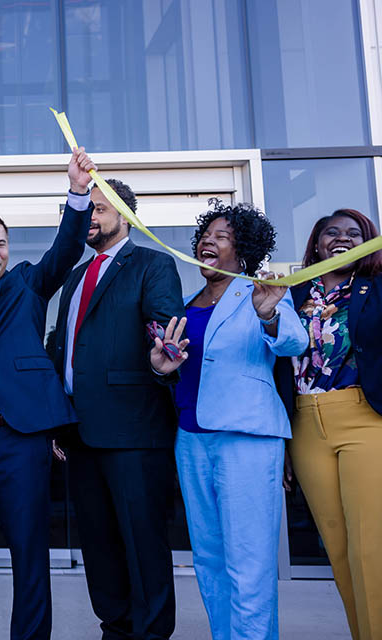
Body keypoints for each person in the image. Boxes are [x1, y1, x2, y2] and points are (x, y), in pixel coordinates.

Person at [0, 149, 95, 640]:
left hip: (20, 438)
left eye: (1, 244)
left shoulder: (28, 283)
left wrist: (77, 193)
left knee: (29, 551)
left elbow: (67, 249)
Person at [158, 200, 306, 639]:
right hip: (191, 440)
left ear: (243, 251)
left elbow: (294, 343)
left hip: (246, 439)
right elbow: (181, 371)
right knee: (209, 559)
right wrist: (161, 366)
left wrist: (269, 313)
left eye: (222, 236)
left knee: (249, 560)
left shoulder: (260, 293)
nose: (209, 241)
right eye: (207, 235)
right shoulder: (184, 305)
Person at [50, 175, 185, 639]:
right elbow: (61, 346)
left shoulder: (152, 264)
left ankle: (149, 634)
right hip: (79, 433)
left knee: (142, 544)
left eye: (100, 208)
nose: (90, 216)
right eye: (86, 208)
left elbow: (164, 331)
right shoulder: (74, 276)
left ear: (125, 215)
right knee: (100, 544)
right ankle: (115, 628)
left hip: (133, 430)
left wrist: (160, 360)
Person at [283, 209, 382, 640]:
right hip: (305, 425)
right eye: (331, 232)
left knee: (370, 547)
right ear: (317, 243)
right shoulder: (292, 291)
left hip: (363, 418)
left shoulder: (376, 287)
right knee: (337, 549)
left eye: (353, 233)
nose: (341, 238)